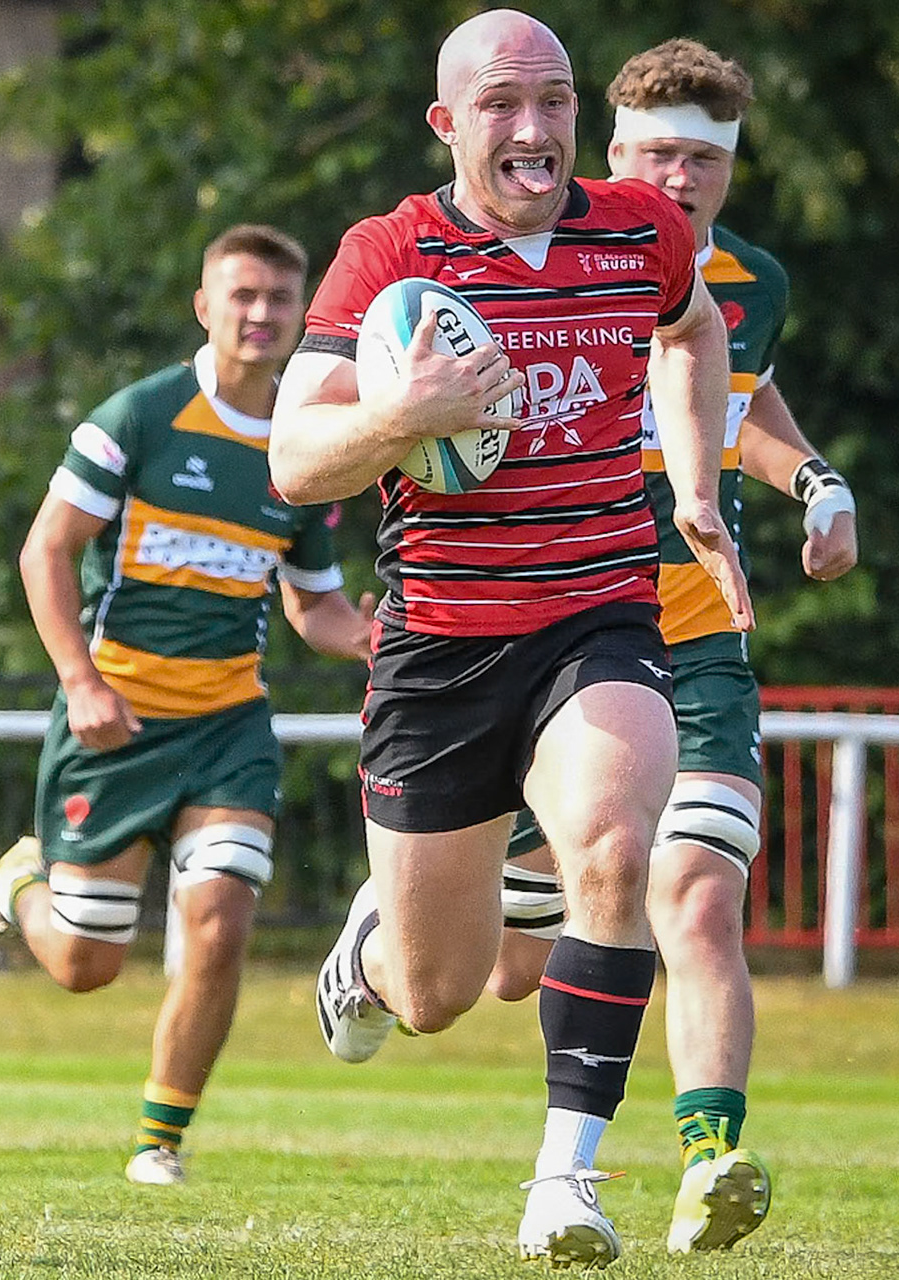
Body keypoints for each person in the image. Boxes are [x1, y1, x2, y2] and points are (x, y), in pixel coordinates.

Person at [270, 11, 753, 1266]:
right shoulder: (391, 254)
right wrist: (400, 414)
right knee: (439, 991)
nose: (534, 129)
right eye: (501, 105)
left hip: (597, 612)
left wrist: (694, 483)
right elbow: (291, 457)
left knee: (613, 840)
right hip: (439, 642)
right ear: (449, 124)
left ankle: (567, 1181)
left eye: (554, 99)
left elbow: (696, 330)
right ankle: (369, 954)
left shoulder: (640, 229)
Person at [457, 38, 857, 1256]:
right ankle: (398, 914)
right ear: (609, 151)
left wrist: (816, 480)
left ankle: (705, 1156)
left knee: (697, 893)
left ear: (728, 170)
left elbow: (746, 403)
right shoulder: (535, 257)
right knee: (503, 967)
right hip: (552, 636)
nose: (677, 177)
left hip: (698, 633)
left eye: (701, 158)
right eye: (655, 153)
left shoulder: (753, 283)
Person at [0, 224, 376, 1187]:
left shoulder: (305, 445)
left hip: (229, 727)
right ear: (204, 306)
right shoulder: (139, 415)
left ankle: (159, 1142)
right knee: (88, 963)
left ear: (304, 314)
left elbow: (316, 606)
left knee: (220, 913)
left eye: (279, 299)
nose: (262, 315)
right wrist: (81, 684)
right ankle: (19, 886)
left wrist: (381, 636)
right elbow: (44, 551)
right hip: (117, 719)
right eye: (243, 296)